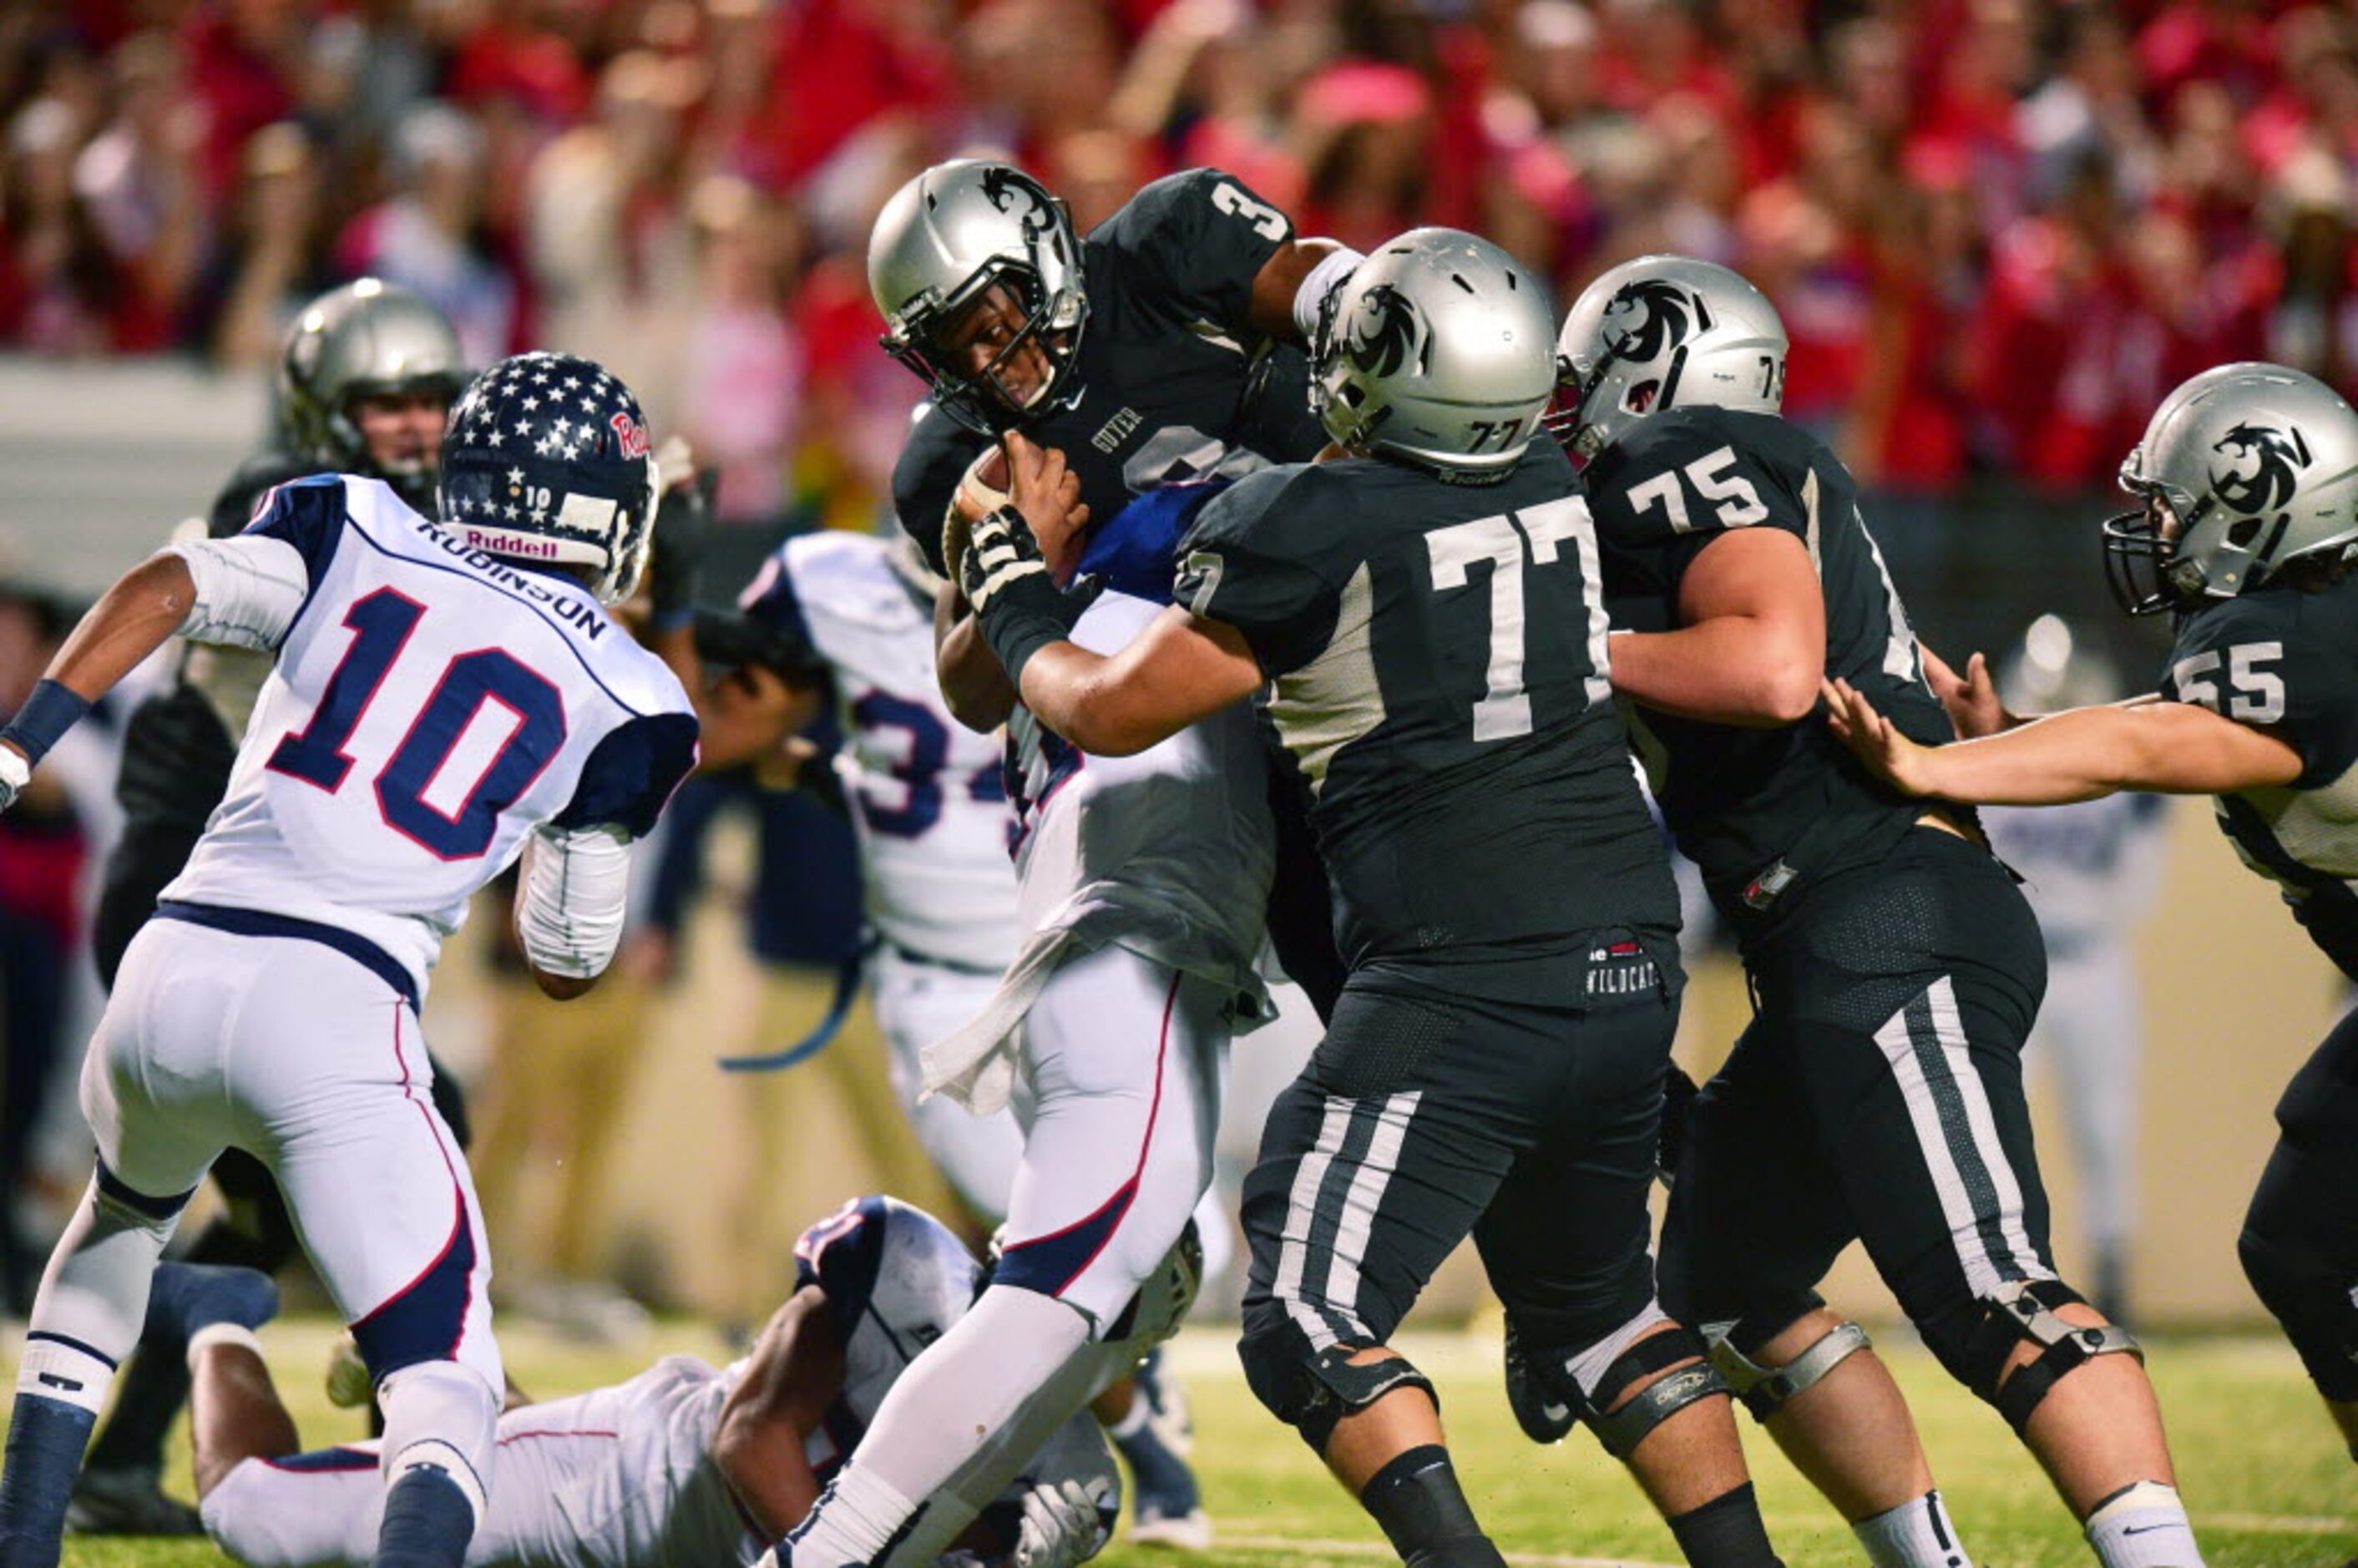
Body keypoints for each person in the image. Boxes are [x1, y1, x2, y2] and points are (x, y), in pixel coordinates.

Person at [968, 228, 1784, 1568]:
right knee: (1605, 1312)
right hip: (1636, 953)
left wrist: (1010, 601)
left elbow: (1112, 709)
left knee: (1301, 1314)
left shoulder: (1305, 521)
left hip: (1468, 974)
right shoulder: (1545, 471)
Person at [0, 350, 699, 1568]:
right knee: (447, 1378)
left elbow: (171, 582)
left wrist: (18, 745)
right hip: (334, 999)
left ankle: (21, 1535)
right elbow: (565, 959)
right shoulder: (632, 691)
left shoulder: (359, 519)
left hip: (174, 960)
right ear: (609, 508)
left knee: (117, 1226)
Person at [1557, 254, 2202, 1568]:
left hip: (1879, 908)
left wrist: (1568, 647)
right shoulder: (1750, 473)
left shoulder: (1681, 453)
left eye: (1589, 376)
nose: (1575, 407)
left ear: (1658, 363)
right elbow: (1839, 658)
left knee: (1991, 1285)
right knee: (1727, 1281)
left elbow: (1776, 667)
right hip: (1836, 927)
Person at [771, 156, 1359, 1566]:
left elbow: (1351, 308)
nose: (987, 355)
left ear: (1046, 255)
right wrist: (1010, 568)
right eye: (950, 343)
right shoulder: (956, 469)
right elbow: (982, 683)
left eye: (992, 315)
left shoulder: (1164, 248)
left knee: (1161, 1262)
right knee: (1109, 1241)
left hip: (1320, 754)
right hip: (1150, 825)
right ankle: (841, 1538)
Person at [1826, 359, 2358, 1478]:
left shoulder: (2293, 631)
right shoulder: (2308, 621)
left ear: (2257, 497)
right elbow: (2154, 726)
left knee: (2307, 1235)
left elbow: (2145, 743)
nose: (2154, 527)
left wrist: (1939, 763)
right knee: (2303, 1240)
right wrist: (2012, 735)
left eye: (2173, 502)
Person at [69, 274, 478, 1540]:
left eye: (432, 398)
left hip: (240, 909)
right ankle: (414, 1452)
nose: (415, 424)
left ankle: (127, 1450)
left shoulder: (400, 517)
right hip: (192, 898)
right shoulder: (294, 501)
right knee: (398, 1144)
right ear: (322, 408)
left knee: (269, 1201)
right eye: (386, 400)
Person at [178, 1196, 1134, 1568]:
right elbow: (750, 1441)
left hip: (679, 1540)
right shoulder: (905, 1268)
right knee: (258, 1520)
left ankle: (438, 1370)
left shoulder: (1070, 1472)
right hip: (627, 1478)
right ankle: (218, 1313)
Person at [1978, 616, 2169, 1322]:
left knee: (2106, 1127)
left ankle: (2113, 1282)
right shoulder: (1997, 768)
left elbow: (2138, 886)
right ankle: (1984, 1273)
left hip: (2092, 961)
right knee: (1992, 1121)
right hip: (2021, 963)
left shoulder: (2125, 780)